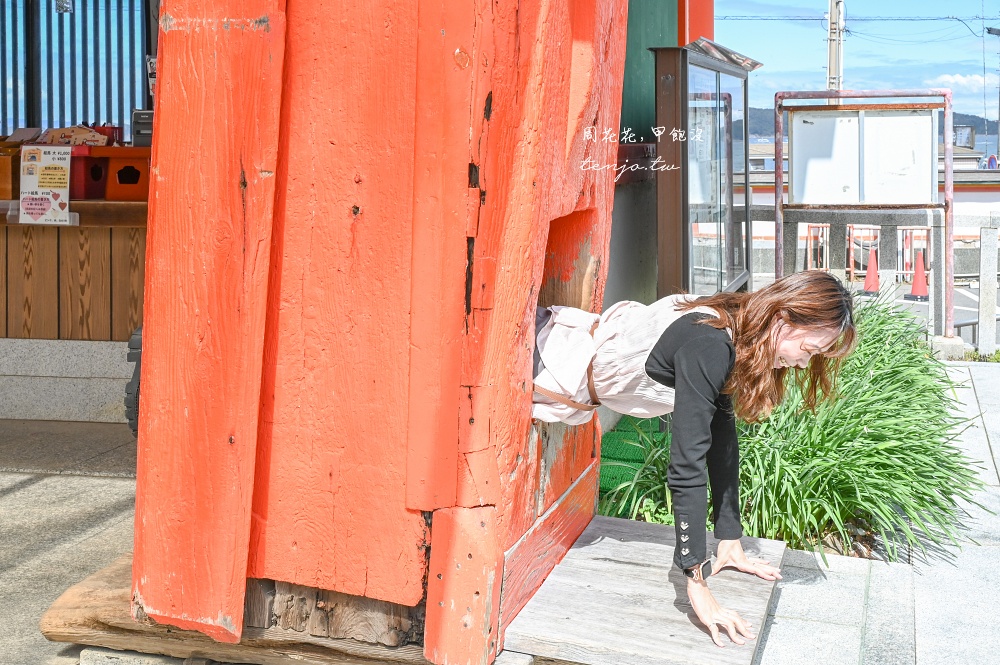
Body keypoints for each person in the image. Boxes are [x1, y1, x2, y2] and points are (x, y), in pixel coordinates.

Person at [532, 270, 856, 647]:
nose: (802, 364)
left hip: (564, 374)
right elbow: (687, 464)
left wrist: (729, 538)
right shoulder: (710, 344)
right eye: (809, 351)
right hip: (543, 363)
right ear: (784, 319)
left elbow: (721, 442)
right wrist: (695, 579)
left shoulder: (737, 329)